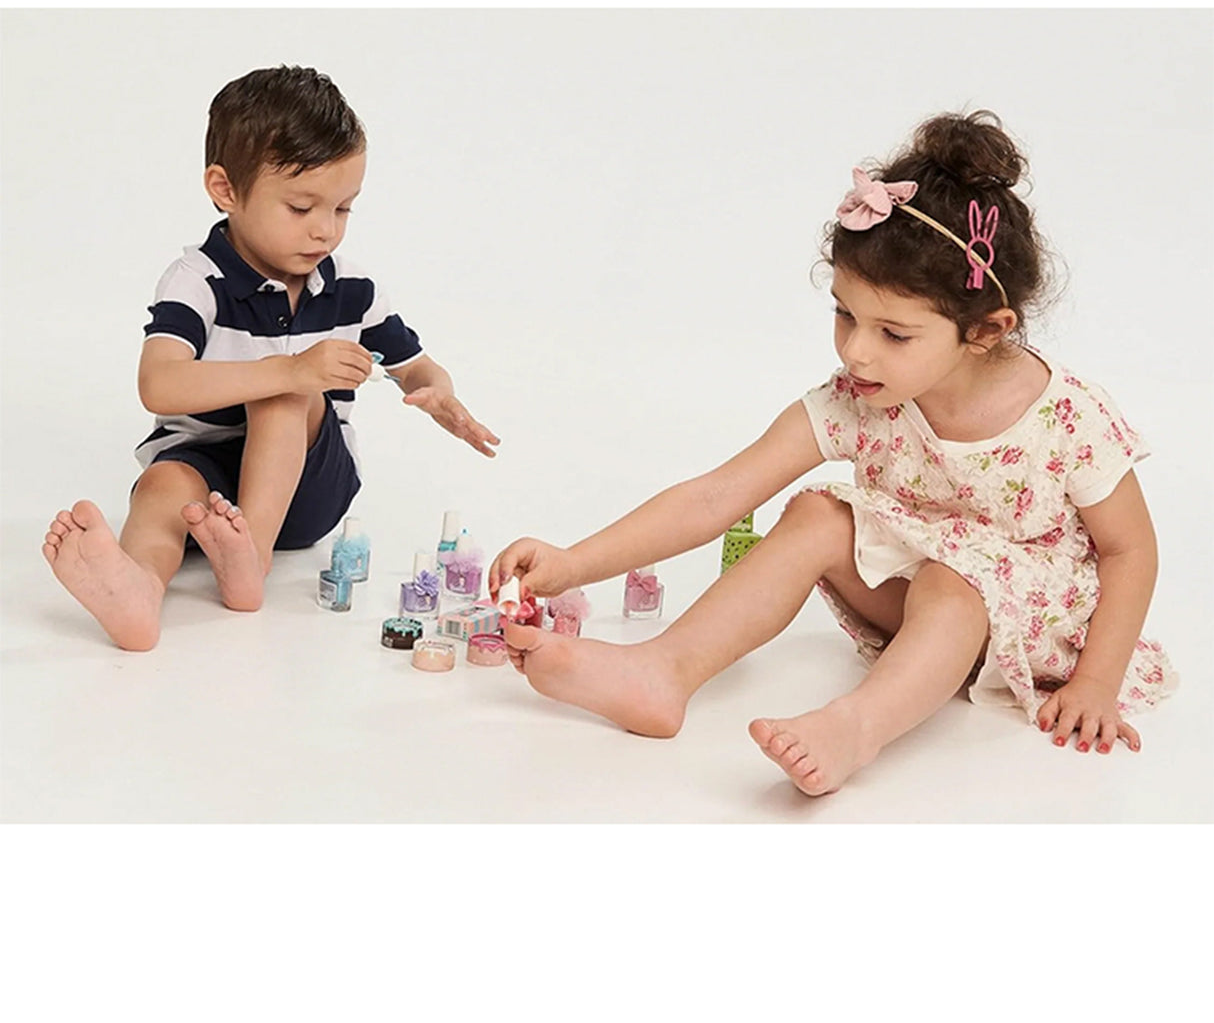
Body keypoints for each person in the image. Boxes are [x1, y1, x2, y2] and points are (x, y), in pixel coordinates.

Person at [488, 110, 1176, 796]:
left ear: (986, 331)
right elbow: (717, 494)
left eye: (894, 334)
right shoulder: (860, 397)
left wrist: (1096, 681)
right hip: (918, 605)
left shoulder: (1065, 418)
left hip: (1030, 622)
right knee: (818, 514)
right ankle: (663, 671)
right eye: (844, 315)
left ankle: (856, 726)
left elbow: (1129, 550)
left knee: (952, 580)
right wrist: (573, 561)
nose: (856, 350)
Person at [43, 65, 498, 651]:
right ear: (226, 190)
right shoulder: (197, 281)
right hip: (205, 474)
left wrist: (437, 388)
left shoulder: (351, 290)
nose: (325, 233)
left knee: (287, 395)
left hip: (307, 490)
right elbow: (159, 385)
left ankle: (248, 562)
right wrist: (291, 365)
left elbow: (414, 366)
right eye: (302, 207)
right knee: (161, 489)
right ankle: (137, 589)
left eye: (342, 210)